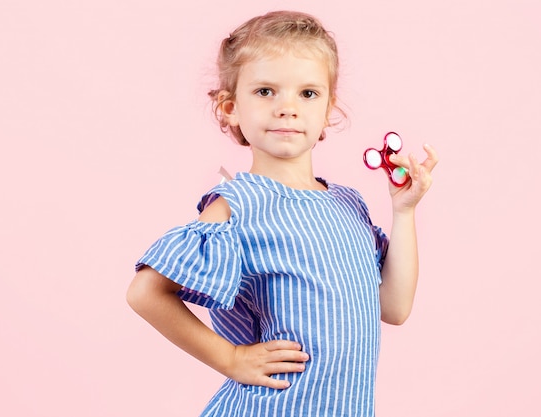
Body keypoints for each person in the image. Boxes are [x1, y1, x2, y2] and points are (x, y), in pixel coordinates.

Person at [127, 10, 438, 417]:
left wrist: (404, 211)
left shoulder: (348, 205)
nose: (287, 108)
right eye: (265, 91)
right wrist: (232, 359)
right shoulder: (238, 204)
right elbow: (145, 292)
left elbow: (394, 308)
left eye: (307, 93)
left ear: (329, 109)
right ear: (230, 107)